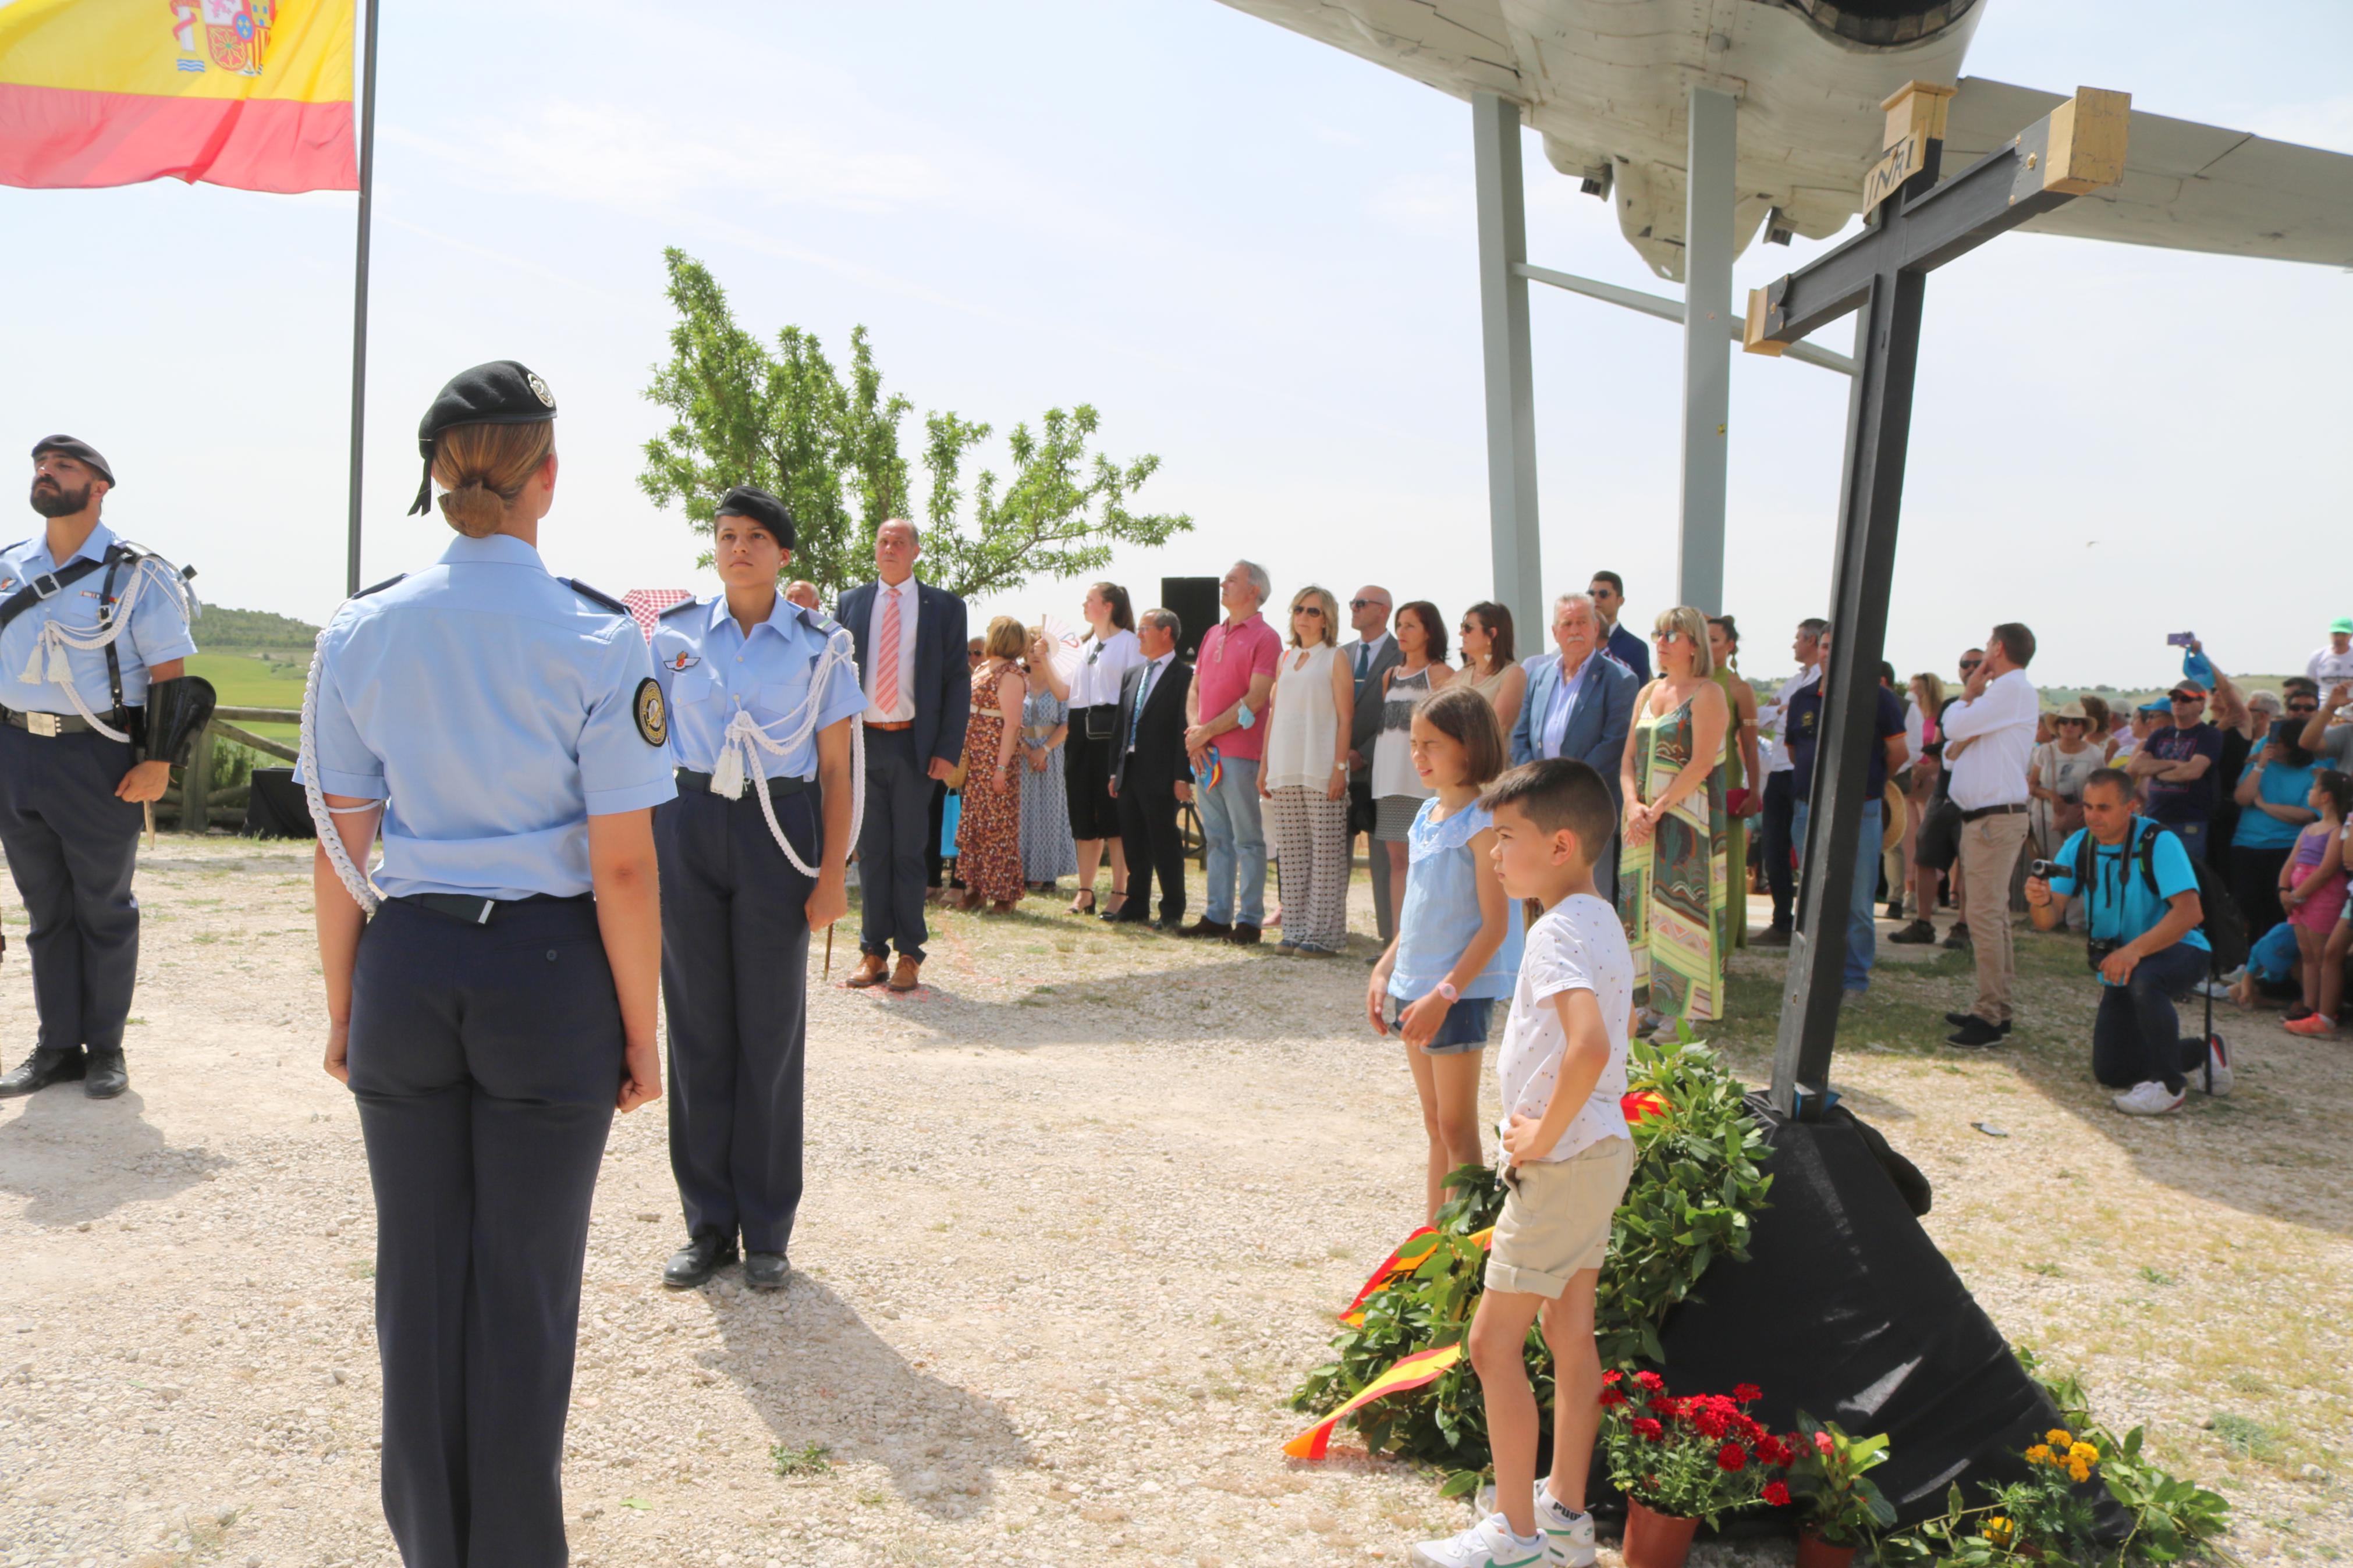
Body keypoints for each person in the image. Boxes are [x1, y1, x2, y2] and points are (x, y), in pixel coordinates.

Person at [299, 361, 674, 1562]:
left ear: (432, 476)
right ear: (545, 477)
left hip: (407, 960)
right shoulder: (600, 635)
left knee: (416, 1282)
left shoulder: (361, 627)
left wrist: (345, 1003)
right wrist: (641, 1030)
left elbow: (336, 850)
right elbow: (621, 868)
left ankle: (429, 1549)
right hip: (548, 971)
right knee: (521, 1289)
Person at [1409, 758, 1630, 1568]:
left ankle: (1516, 1534)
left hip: (1563, 1159)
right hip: (1598, 1154)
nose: (1493, 853)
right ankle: (1565, 1515)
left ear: (1562, 843)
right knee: (1567, 1328)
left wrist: (1538, 1136)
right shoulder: (1598, 917)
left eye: (1506, 837)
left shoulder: (1556, 929)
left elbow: (1589, 1044)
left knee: (1489, 1345)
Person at [647, 485, 862, 1293]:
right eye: (726, 534)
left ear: (783, 553)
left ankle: (767, 1227)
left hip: (781, 830)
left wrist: (833, 874)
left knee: (769, 1032)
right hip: (691, 821)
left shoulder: (818, 646)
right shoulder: (671, 640)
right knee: (697, 1027)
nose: (738, 548)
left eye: (755, 537)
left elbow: (837, 767)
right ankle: (707, 1224)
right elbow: (641, 746)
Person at [0, 436, 205, 1101]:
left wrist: (159, 763)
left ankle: (107, 1050)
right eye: (40, 465)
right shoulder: (7, 568)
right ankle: (57, 1046)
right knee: (45, 910)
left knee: (104, 909)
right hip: (15, 751)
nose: (45, 474)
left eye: (63, 467)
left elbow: (170, 675)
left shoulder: (137, 574)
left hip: (97, 757)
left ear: (98, 488)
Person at [1367, 687, 1522, 1220]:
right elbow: (1416, 909)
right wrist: (1385, 969)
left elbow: (1495, 925)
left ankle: (1467, 1248)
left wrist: (1445, 992)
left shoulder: (1484, 824)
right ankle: (1432, 1239)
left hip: (1455, 992)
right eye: (1414, 743)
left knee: (1458, 1128)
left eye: (1431, 744)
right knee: (1434, 1124)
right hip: (1415, 987)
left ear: (1469, 745)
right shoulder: (1427, 814)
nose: (1418, 755)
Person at [2027, 769, 2230, 1115]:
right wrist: (2040, 900)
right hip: (2123, 962)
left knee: (2145, 978)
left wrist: (2133, 951)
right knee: (2113, 1072)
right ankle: (2202, 1052)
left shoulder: (2159, 841)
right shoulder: (2079, 845)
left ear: (2132, 807)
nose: (2092, 816)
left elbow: (2189, 914)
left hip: (2183, 948)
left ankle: (2169, 1088)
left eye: (2104, 808)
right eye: (2088, 807)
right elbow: (2048, 921)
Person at [837, 520, 970, 991]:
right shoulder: (851, 603)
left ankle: (910, 954)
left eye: (898, 542)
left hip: (917, 747)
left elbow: (958, 681)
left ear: (916, 550)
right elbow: (835, 678)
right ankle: (873, 951)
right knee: (872, 853)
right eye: (882, 541)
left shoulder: (945, 607)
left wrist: (947, 749)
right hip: (864, 743)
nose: (889, 548)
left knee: (910, 853)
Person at [1620, 607, 1731, 1034]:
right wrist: (1633, 805)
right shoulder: (1648, 691)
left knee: (1683, 910)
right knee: (1642, 909)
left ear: (1693, 643)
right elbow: (1628, 758)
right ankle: (1653, 1000)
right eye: (1658, 633)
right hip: (1642, 821)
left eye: (1672, 634)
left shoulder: (1708, 693)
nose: (1661, 641)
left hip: (1687, 819)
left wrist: (1659, 807)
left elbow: (1702, 763)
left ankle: (1685, 1010)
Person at [1782, 626, 1907, 1000]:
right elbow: (1794, 752)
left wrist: (1871, 782)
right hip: (1808, 809)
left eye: (1838, 647)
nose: (1828, 653)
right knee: (1811, 896)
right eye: (1823, 646)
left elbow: (1898, 754)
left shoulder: (1880, 699)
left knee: (1857, 900)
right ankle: (1813, 976)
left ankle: (1853, 980)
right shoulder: (1803, 698)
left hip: (1861, 811)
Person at [1940, 624, 2039, 1045]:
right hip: (1986, 818)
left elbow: (1950, 730)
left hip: (1993, 820)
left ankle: (1989, 1014)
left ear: (1997, 648)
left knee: (1983, 915)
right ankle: (1997, 1008)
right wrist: (1967, 716)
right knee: (1991, 915)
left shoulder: (2007, 689)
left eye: (1985, 648)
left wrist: (1967, 697)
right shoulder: (2006, 693)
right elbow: (1950, 751)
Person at [1509, 592, 1636, 898]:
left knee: (1591, 892)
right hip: (1541, 804)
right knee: (1546, 889)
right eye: (1567, 624)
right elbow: (1520, 736)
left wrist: (1562, 788)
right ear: (1555, 632)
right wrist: (1534, 783)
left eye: (1582, 622)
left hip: (1589, 805)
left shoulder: (1620, 680)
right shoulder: (1538, 676)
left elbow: (1613, 744)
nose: (1575, 630)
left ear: (1596, 628)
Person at [1183, 560, 1280, 943]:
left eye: (1232, 580)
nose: (1223, 584)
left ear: (1254, 590)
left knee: (1247, 839)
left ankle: (1249, 921)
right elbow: (1195, 687)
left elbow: (1257, 699)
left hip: (1240, 753)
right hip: (1204, 754)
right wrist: (1196, 734)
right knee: (1217, 838)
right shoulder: (1211, 633)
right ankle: (1217, 915)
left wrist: (1204, 732)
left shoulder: (1266, 637)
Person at [1035, 582, 1141, 918]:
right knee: (1083, 811)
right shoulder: (1082, 645)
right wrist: (1045, 660)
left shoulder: (1129, 643)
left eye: (1091, 600)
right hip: (1080, 727)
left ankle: (1120, 892)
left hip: (1112, 727)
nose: (1084, 604)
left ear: (1109, 606)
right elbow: (1064, 692)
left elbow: (1134, 693)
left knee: (1113, 814)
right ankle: (1085, 892)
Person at [1260, 585, 1355, 956]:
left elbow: (1346, 717)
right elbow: (1273, 717)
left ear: (1327, 618)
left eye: (1313, 611)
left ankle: (1324, 937)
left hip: (1321, 768)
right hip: (1285, 769)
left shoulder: (1335, 658)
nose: (1304, 616)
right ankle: (1296, 931)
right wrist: (1265, 766)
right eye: (1299, 609)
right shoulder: (1285, 659)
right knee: (1294, 854)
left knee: (1326, 854)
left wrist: (1339, 768)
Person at [1109, 609, 1193, 929]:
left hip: (1161, 773)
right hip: (1129, 769)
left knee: (1164, 843)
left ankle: (1171, 910)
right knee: (1134, 841)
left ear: (1166, 633)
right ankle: (1136, 905)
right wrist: (1114, 771)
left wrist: (1181, 776)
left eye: (1145, 629)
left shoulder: (1185, 677)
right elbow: (1121, 726)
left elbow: (1181, 729)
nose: (1139, 634)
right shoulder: (1133, 674)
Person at [1372, 602, 1454, 913]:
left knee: (1428, 862)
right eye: (1400, 625)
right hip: (1389, 781)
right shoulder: (1389, 675)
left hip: (1423, 785)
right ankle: (1396, 942)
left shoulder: (1441, 674)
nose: (1401, 632)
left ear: (1429, 632)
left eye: (1410, 626)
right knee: (1397, 862)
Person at [1752, 619, 1825, 945]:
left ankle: (1811, 925)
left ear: (1811, 640)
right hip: (1780, 772)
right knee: (1774, 847)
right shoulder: (1796, 681)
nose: (1794, 645)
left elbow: (1777, 716)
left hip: (1804, 771)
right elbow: (1762, 716)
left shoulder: (1823, 682)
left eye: (1798, 639)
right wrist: (1783, 710)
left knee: (1807, 847)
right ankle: (1783, 921)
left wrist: (1782, 710)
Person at [955, 616, 1029, 912]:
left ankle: (1004, 894)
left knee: (998, 827)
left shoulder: (1010, 675)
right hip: (976, 757)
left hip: (995, 758)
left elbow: (1012, 725)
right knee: (976, 825)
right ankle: (976, 888)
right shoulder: (986, 668)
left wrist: (1001, 768)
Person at [1346, 586, 1404, 942]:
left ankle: (1388, 938)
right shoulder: (1342, 654)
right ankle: (1331, 929)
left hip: (1380, 766)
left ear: (1383, 611)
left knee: (1385, 859)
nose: (1353, 608)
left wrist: (1363, 753)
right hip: (1337, 767)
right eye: (1353, 603)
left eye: (1361, 604)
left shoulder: (1402, 654)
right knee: (1333, 851)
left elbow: (1396, 713)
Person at [2228, 721, 2317, 940]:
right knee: (2245, 905)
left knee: (2276, 908)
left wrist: (2264, 806)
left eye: (2277, 741)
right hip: (2247, 845)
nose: (2271, 744)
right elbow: (2242, 798)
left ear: (2292, 745)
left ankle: (2273, 965)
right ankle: (2245, 961)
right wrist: (2259, 767)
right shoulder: (2259, 764)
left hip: (2287, 848)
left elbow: (2305, 815)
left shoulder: (2311, 773)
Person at [1705, 615, 1763, 948]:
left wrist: (1754, 790)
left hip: (1725, 786)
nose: (1707, 646)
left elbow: (1751, 747)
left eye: (1714, 639)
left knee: (1724, 863)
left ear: (1729, 646)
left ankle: (1724, 941)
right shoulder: (1683, 683)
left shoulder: (1739, 689)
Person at [2277, 770, 2351, 1029]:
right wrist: (2283, 889)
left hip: (2322, 899)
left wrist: (2296, 895)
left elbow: (2327, 870)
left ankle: (2325, 1010)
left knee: (2322, 955)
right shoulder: (2309, 829)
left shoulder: (2338, 831)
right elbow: (2292, 861)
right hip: (2299, 900)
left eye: (2314, 788)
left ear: (2326, 797)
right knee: (2308, 954)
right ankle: (2309, 1006)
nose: (2309, 792)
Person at [2128, 679, 2224, 863]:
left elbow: (2192, 772)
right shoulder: (2159, 734)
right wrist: (2175, 764)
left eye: (2186, 699)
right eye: (2174, 698)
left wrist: (2155, 770)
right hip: (2154, 819)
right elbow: (2137, 767)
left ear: (2201, 704)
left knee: (2185, 877)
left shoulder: (2209, 734)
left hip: (2188, 823)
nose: (2178, 702)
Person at [1886, 670, 1949, 944]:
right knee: (1908, 836)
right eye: (1912, 688)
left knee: (1928, 836)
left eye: (1919, 689)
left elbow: (1936, 750)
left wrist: (1924, 769)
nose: (1914, 692)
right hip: (1911, 778)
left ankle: (1931, 895)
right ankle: (1911, 892)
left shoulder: (1937, 719)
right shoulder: (1909, 713)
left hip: (1930, 780)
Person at [1017, 640, 1077, 890]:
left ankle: (1047, 873)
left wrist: (1043, 751)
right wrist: (1026, 750)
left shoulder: (1060, 685)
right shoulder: (1019, 682)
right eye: (1031, 650)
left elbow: (1068, 723)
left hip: (1052, 751)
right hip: (1021, 752)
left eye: (1041, 650)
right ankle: (1021, 872)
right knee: (1023, 811)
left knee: (1050, 812)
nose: (1035, 655)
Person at [2029, 702, 2104, 861]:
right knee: (2050, 863)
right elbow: (2032, 785)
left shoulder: (2094, 753)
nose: (2069, 726)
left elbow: (2102, 787)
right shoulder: (2044, 752)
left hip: (2081, 818)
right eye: (2064, 721)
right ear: (2057, 726)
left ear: (2082, 727)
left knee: (2078, 862)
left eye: (2075, 722)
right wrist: (2051, 796)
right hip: (2046, 819)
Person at [1459, 600, 1527, 737]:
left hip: (1490, 758)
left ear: (1491, 634)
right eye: (1462, 626)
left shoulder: (1513, 675)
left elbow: (1497, 729)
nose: (1461, 633)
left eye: (1468, 628)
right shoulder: (1459, 676)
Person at [1587, 570, 1650, 683]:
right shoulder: (1577, 643)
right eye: (1591, 594)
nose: (1596, 599)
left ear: (1620, 601)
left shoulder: (1636, 648)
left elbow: (1639, 695)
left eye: (1603, 594)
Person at [2306, 616, 2353, 691]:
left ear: (2351, 635)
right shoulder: (2317, 656)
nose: (2339, 638)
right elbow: (2309, 684)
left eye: (2344, 635)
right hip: (2324, 702)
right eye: (2336, 634)